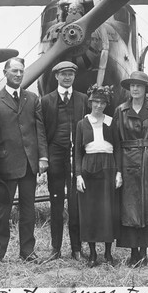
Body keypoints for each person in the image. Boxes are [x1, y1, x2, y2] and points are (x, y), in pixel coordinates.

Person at [0, 57, 48, 263]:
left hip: (30, 165)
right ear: (5, 73)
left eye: (21, 71)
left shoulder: (32, 99)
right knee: (2, 212)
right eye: (14, 71)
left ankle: (27, 252)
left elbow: (40, 130)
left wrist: (43, 157)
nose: (18, 75)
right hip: (6, 165)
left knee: (28, 211)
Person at [113, 71, 148, 267]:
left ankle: (144, 251)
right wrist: (118, 168)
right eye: (132, 86)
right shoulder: (120, 110)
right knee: (129, 207)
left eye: (139, 86)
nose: (135, 89)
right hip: (127, 162)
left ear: (146, 89)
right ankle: (133, 251)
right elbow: (116, 140)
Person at [41, 61, 89, 261]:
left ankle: (77, 249)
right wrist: (44, 157)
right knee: (56, 204)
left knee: (76, 205)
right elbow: (42, 132)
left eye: (71, 74)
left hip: (76, 157)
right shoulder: (46, 101)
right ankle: (56, 249)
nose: (67, 77)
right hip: (55, 156)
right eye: (64, 74)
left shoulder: (83, 99)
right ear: (56, 76)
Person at [75, 84, 122, 267]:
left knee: (108, 211)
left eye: (102, 102)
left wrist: (118, 172)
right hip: (89, 168)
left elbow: (117, 148)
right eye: (96, 102)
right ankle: (93, 254)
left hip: (108, 166)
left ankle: (108, 254)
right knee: (90, 212)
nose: (99, 106)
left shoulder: (111, 122)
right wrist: (78, 175)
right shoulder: (82, 124)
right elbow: (78, 152)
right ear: (90, 103)